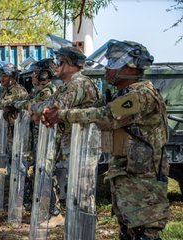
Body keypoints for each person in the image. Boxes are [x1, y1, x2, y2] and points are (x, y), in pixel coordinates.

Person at [42, 40, 169, 240]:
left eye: (113, 64)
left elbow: (104, 115)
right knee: (128, 232)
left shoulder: (141, 95)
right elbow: (94, 113)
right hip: (128, 177)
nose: (107, 69)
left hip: (143, 183)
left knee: (143, 234)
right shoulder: (124, 94)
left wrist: (63, 115)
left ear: (130, 67)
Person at [30, 46, 101, 228]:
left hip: (83, 143)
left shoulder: (78, 83)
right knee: (74, 187)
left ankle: (83, 226)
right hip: (73, 142)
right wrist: (38, 108)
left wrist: (39, 109)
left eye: (61, 62)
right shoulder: (68, 85)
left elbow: (52, 106)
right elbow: (42, 105)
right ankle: (76, 224)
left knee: (81, 189)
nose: (57, 66)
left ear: (72, 65)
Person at [13, 58, 57, 211]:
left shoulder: (48, 91)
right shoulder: (38, 91)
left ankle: (53, 209)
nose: (32, 76)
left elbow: (31, 105)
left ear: (45, 75)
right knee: (37, 169)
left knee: (47, 171)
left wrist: (20, 105)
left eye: (36, 73)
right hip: (38, 136)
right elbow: (27, 102)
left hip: (47, 137)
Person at [0, 61, 28, 166]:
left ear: (12, 77)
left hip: (18, 131)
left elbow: (2, 104)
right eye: (1, 76)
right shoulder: (3, 90)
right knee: (8, 157)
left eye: (4, 76)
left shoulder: (18, 90)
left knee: (18, 158)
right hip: (6, 130)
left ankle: (24, 181)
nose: (1, 79)